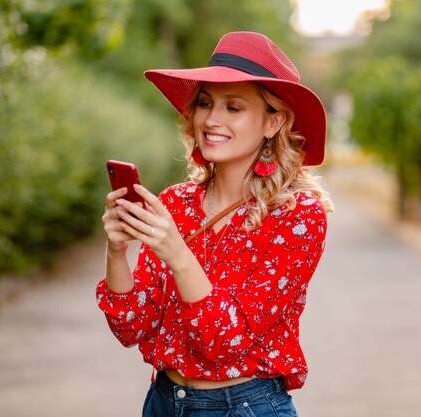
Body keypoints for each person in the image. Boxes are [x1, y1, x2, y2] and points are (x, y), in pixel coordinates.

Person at [97, 31, 333, 417]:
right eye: (205, 103)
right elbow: (130, 327)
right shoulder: (175, 202)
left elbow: (225, 340)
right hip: (163, 403)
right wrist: (117, 250)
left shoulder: (297, 216)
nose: (211, 119)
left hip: (244, 407)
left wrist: (177, 252)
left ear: (273, 122)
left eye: (233, 107)